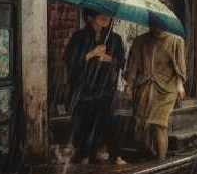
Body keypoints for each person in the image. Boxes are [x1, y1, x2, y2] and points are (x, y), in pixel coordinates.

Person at [64, 9, 126, 165]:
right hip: (84, 88)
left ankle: (115, 154)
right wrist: (91, 54)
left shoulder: (114, 39)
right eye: (101, 15)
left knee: (109, 120)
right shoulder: (79, 37)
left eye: (108, 15)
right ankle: (84, 154)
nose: (106, 18)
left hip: (105, 87)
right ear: (90, 17)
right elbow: (70, 61)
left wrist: (108, 59)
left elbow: (121, 62)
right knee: (84, 121)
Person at [125, 26, 187, 161]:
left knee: (160, 123)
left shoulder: (176, 41)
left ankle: (161, 160)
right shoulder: (140, 41)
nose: (157, 26)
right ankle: (149, 154)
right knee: (142, 124)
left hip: (166, 89)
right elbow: (133, 65)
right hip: (145, 87)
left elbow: (180, 68)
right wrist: (129, 85)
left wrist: (180, 86)